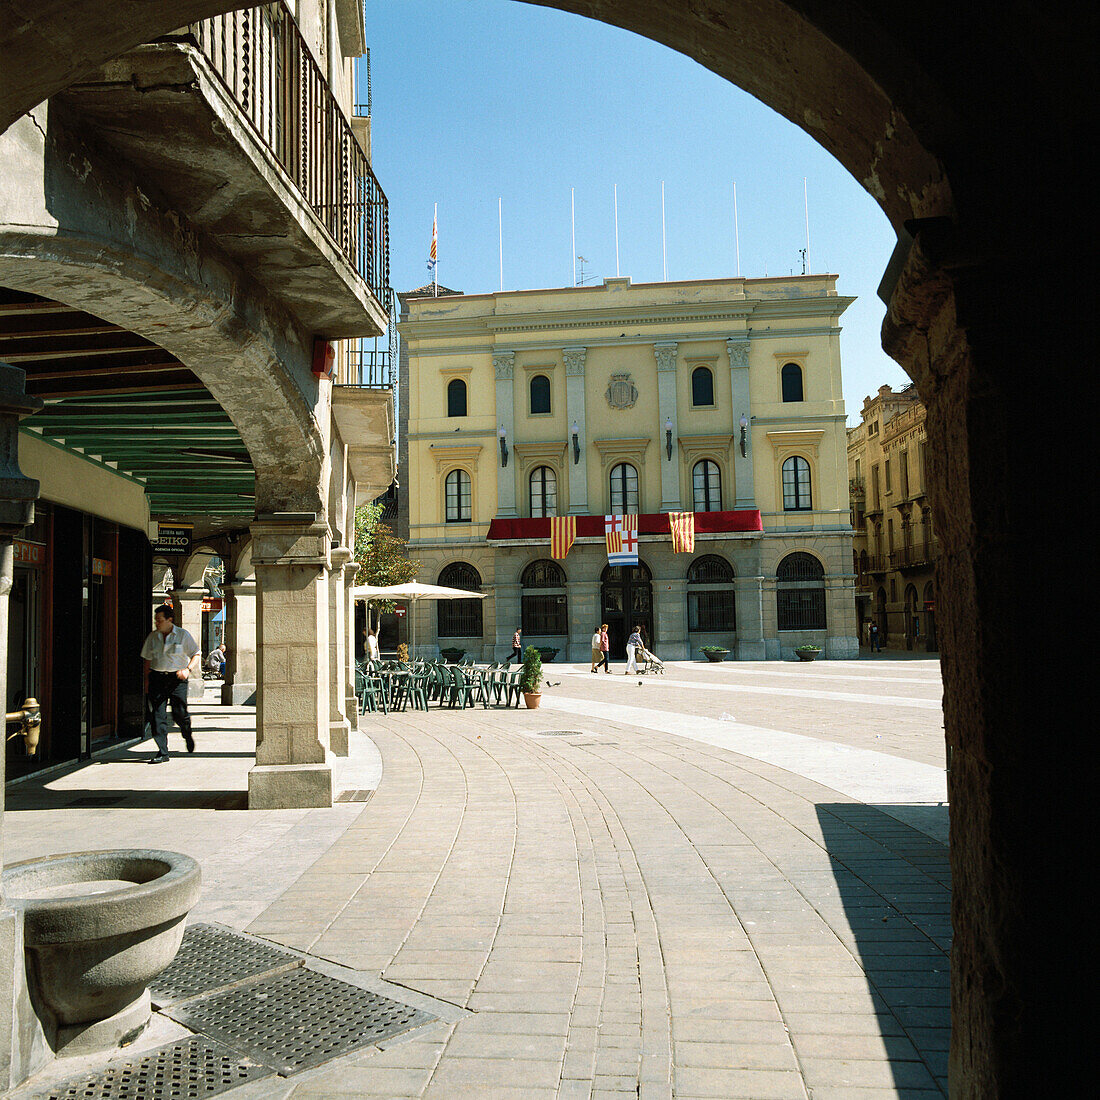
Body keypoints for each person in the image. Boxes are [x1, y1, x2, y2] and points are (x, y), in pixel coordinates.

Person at [141, 604, 200, 763]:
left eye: (160, 620)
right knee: (157, 716)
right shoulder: (153, 637)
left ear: (169, 620)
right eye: (156, 620)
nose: (157, 623)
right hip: (157, 679)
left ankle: (186, 733)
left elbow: (196, 654)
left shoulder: (182, 635)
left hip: (177, 679)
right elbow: (147, 659)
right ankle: (162, 751)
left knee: (179, 713)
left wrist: (188, 669)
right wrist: (147, 681)